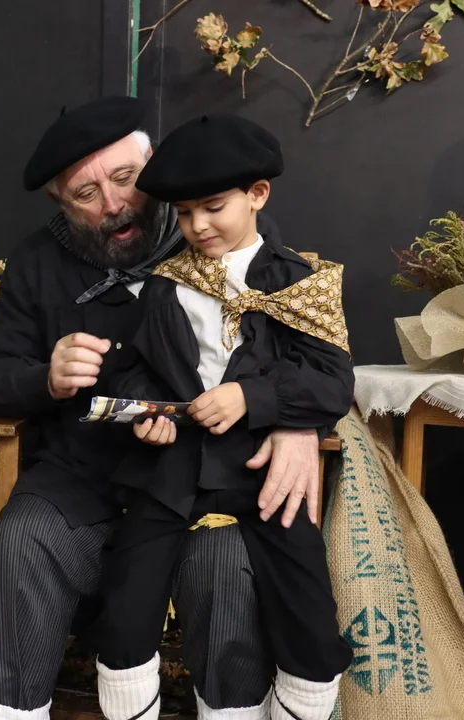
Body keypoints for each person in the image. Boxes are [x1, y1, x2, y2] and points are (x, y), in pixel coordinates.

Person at [0, 97, 327, 720]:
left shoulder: (228, 240)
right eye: (86, 194)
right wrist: (46, 377)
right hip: (84, 476)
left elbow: (307, 353)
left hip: (201, 479)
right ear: (59, 201)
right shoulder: (36, 263)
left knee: (226, 561)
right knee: (20, 542)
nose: (113, 204)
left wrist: (299, 425)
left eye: (126, 179)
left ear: (154, 166)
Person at [94, 113, 354, 720]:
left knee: (310, 620)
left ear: (257, 194)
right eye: (184, 213)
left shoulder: (302, 284)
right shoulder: (165, 285)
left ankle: (303, 701)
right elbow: (137, 369)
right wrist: (147, 413)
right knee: (126, 607)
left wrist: (250, 397)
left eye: (214, 207)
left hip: (262, 474)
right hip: (170, 473)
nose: (198, 226)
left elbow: (332, 383)